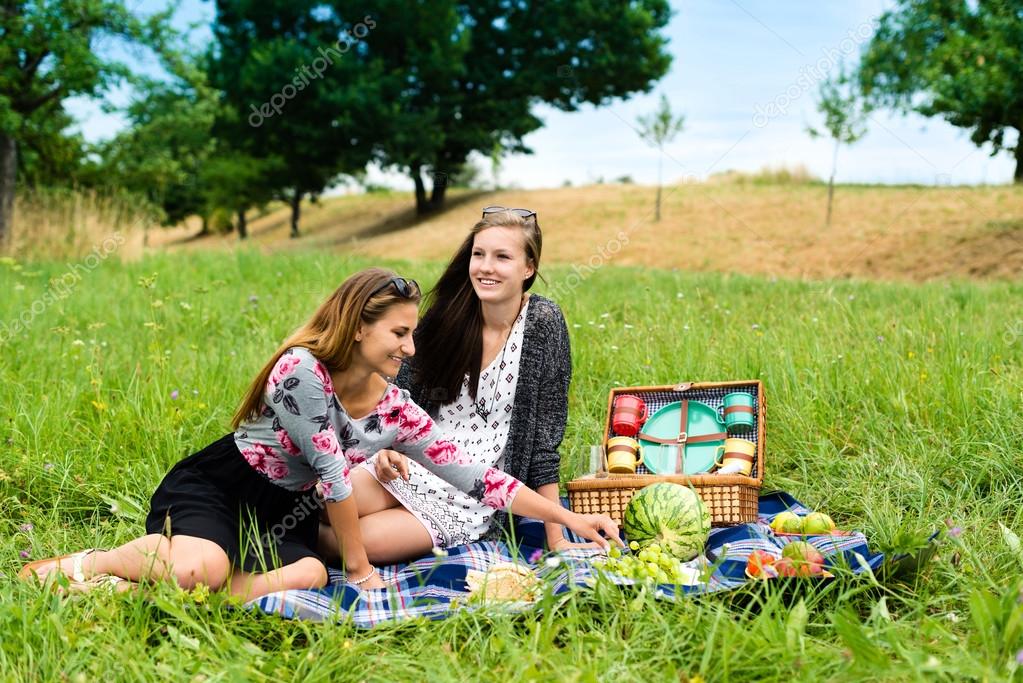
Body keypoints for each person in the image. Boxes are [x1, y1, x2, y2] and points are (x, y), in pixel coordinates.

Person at [19, 268, 621, 597]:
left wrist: (569, 519)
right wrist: (358, 573)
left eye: (414, 334)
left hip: (287, 510)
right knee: (198, 565)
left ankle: (182, 594)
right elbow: (333, 475)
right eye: (400, 334)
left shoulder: (395, 408)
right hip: (222, 488)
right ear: (359, 329)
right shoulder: (302, 372)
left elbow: (478, 476)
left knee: (307, 575)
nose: (411, 349)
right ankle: (91, 566)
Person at [319, 208, 596, 567]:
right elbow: (396, 400)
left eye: (502, 257)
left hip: (475, 492)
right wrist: (383, 449)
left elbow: (545, 440)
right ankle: (261, 538)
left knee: (359, 543)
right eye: (478, 254)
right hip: (413, 462)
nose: (485, 267)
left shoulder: (543, 324)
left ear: (528, 268)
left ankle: (283, 550)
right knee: (323, 506)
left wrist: (556, 538)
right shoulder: (446, 317)